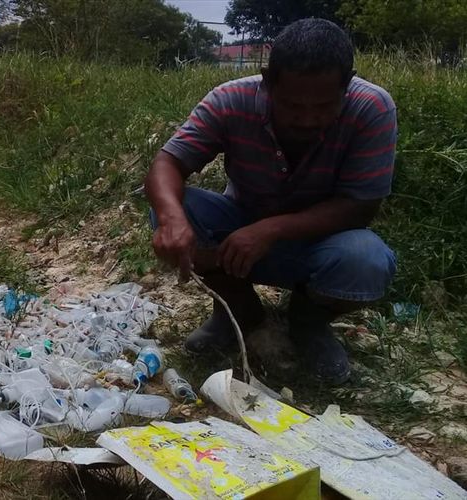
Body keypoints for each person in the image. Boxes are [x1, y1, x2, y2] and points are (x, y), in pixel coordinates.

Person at [144, 18, 397, 385]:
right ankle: (239, 314)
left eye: (325, 106)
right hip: (240, 232)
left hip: (323, 243)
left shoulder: (372, 108)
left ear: (347, 83)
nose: (308, 119)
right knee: (177, 209)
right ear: (267, 79)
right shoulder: (231, 100)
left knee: (367, 259)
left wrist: (272, 229)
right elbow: (167, 164)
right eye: (293, 106)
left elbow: (362, 206)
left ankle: (307, 323)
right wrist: (171, 219)